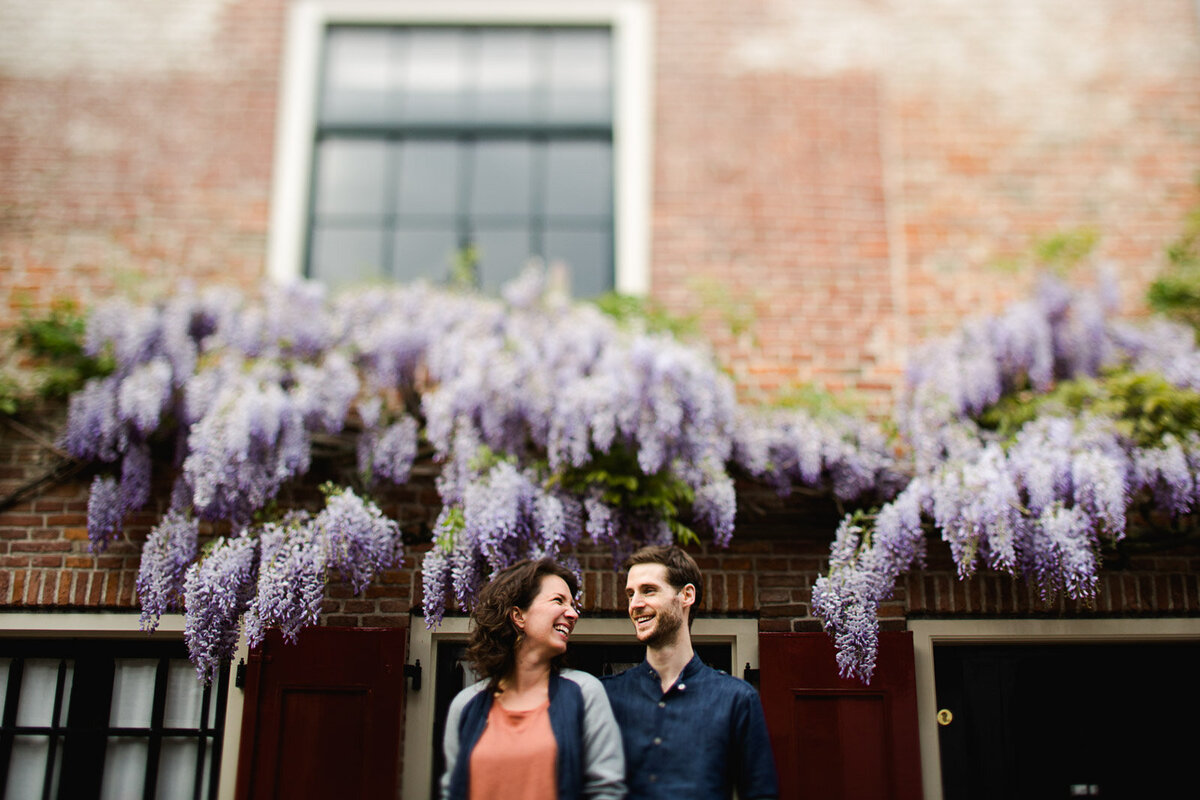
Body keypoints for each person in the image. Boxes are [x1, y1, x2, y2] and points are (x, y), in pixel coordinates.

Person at [601, 545, 778, 800]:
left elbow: (761, 794)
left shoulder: (736, 699)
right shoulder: (605, 696)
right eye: (630, 594)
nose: (635, 604)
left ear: (686, 595)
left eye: (648, 590)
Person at [441, 558, 626, 800]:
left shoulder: (583, 692)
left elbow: (606, 790)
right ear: (519, 616)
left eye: (573, 605)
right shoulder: (466, 705)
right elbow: (452, 791)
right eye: (559, 601)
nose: (573, 614)